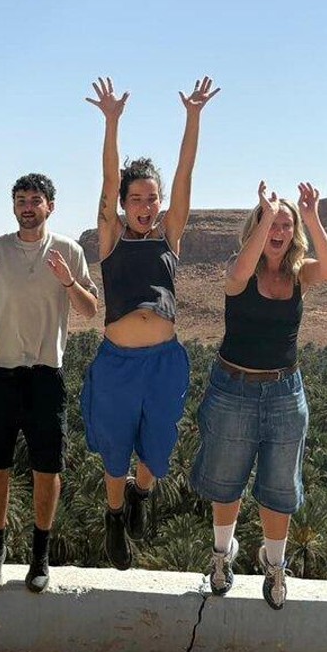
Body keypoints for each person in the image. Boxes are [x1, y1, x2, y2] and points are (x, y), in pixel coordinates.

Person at [82, 75, 220, 569]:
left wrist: (193, 118)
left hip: (164, 362)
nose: (145, 206)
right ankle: (115, 515)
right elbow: (105, 178)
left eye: (151, 199)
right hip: (118, 363)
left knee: (156, 448)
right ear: (123, 206)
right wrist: (112, 122)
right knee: (116, 447)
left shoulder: (170, 236)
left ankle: (141, 495)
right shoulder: (110, 239)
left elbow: (186, 174)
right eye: (135, 199)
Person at [0, 174, 98, 594]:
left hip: (46, 376)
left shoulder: (70, 250)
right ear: (13, 206)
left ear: (51, 205)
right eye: (20, 200)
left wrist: (69, 281)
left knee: (47, 470)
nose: (27, 206)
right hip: (0, 373)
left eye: (35, 200)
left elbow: (89, 311)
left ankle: (39, 556)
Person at [190, 182, 327, 609]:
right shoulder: (242, 267)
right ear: (258, 225)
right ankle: (221, 556)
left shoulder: (300, 273)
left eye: (286, 225)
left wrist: (312, 217)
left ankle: (275, 564)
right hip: (233, 388)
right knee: (226, 478)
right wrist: (267, 213)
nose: (280, 230)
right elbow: (236, 276)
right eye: (272, 222)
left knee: (279, 484)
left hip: (286, 392)